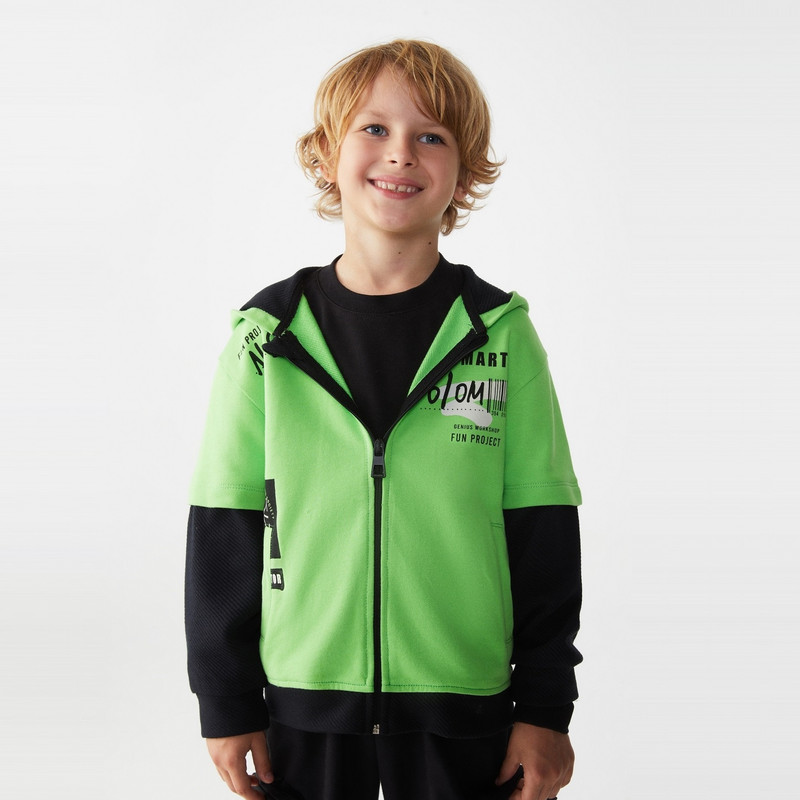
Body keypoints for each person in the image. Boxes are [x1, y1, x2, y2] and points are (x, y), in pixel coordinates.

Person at [185, 39, 583, 800]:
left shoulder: (499, 334)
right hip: (302, 707)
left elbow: (544, 532)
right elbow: (223, 528)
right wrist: (225, 701)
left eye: (431, 137)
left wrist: (544, 708)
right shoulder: (267, 338)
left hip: (464, 711)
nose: (401, 152)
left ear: (464, 173)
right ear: (326, 154)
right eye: (374, 129)